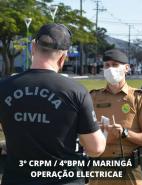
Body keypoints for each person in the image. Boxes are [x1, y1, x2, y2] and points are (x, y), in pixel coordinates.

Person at [0, 23, 106, 185]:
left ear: (33, 47)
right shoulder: (75, 91)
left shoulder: (4, 87)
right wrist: (103, 134)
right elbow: (95, 148)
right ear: (63, 57)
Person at [89, 49, 142, 185]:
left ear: (126, 68)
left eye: (114, 65)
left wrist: (125, 133)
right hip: (100, 167)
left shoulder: (138, 98)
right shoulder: (93, 97)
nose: (110, 69)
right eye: (106, 65)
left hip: (129, 169)